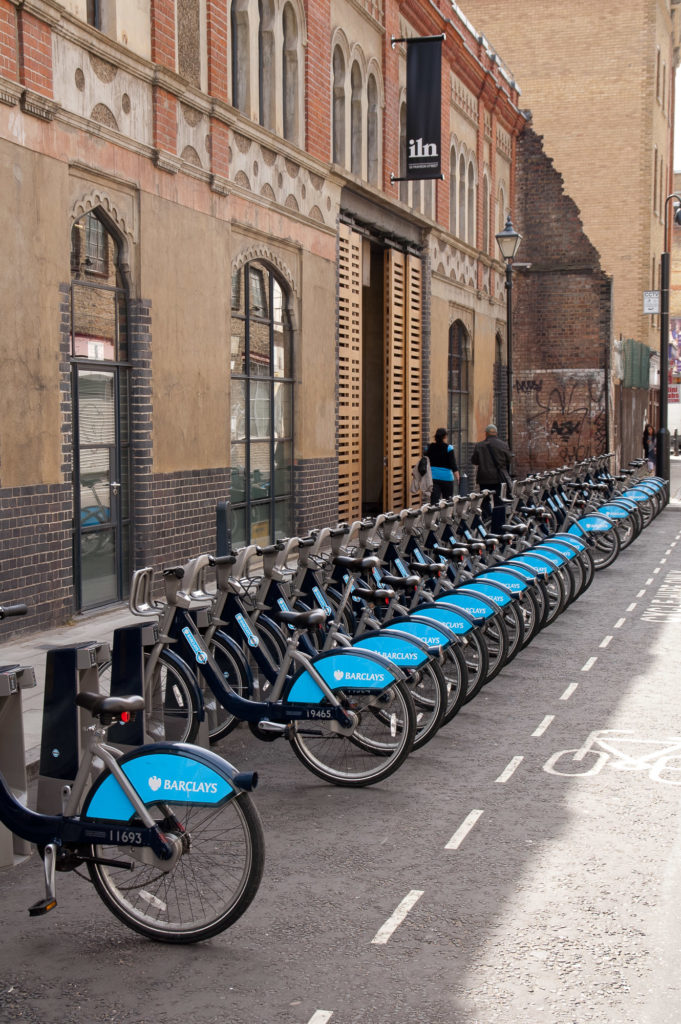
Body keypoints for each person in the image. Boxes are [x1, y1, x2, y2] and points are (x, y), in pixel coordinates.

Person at [471, 424, 513, 510]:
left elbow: (474, 461)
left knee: (485, 500)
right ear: (496, 433)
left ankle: (487, 519)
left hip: (483, 478)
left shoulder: (479, 445)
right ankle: (497, 519)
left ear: (486, 433)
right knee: (499, 500)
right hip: (498, 478)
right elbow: (509, 460)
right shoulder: (503, 445)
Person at [425, 428, 460, 502]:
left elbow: (425, 458)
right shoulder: (449, 448)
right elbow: (453, 463)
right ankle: (445, 514)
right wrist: (458, 477)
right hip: (447, 478)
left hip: (433, 477)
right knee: (447, 501)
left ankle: (433, 513)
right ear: (445, 437)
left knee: (434, 501)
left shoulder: (429, 447)